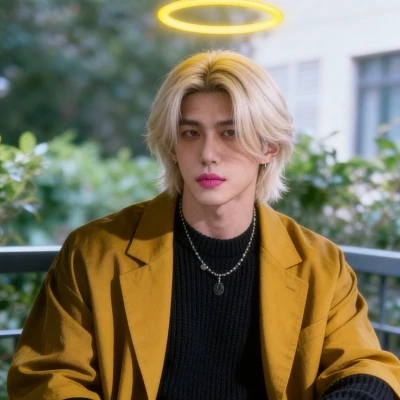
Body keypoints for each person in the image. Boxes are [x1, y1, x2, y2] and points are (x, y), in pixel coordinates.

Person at [7, 50, 400, 400]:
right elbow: (48, 378)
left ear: (269, 147)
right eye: (190, 133)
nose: (208, 153)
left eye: (230, 132)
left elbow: (364, 367)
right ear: (172, 146)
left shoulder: (320, 263)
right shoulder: (94, 253)